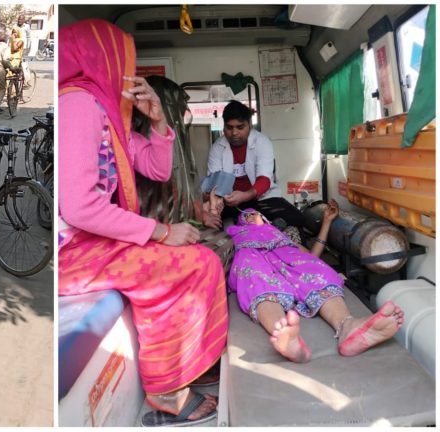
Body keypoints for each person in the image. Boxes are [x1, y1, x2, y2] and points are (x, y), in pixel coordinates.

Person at [59, 20, 227, 427]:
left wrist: (158, 122)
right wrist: (162, 233)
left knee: (203, 260)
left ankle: (191, 366)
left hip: (93, 241)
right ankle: (165, 387)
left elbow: (155, 167)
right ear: (102, 58)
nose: (128, 73)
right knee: (191, 263)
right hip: (72, 250)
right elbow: (79, 209)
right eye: (123, 61)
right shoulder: (78, 104)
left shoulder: (106, 111)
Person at [226, 199, 405, 363]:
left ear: (266, 220)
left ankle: (347, 326)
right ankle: (285, 337)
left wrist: (326, 222)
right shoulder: (234, 236)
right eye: (245, 216)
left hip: (288, 258)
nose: (250, 217)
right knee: (256, 280)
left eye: (254, 214)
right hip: (253, 258)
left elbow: (313, 255)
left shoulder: (283, 236)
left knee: (317, 270)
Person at [205, 100, 304, 230]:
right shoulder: (217, 147)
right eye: (229, 128)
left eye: (240, 127)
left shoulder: (262, 142)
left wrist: (245, 195)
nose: (234, 133)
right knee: (211, 223)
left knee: (296, 219)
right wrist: (217, 202)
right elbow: (215, 183)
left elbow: (264, 179)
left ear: (250, 125)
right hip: (229, 202)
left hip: (261, 198)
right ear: (224, 126)